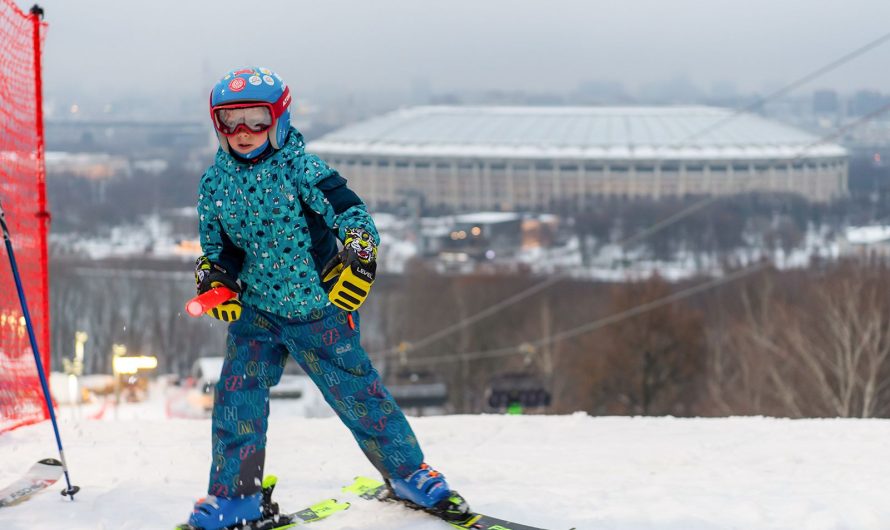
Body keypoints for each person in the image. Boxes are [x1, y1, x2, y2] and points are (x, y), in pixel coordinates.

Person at [184, 67, 469, 530]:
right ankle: (237, 496)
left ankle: (408, 472)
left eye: (255, 119)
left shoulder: (303, 169)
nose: (242, 133)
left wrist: (359, 254)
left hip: (314, 310)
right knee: (238, 400)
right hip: (256, 314)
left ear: (278, 118)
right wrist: (214, 278)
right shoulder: (215, 185)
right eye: (229, 120)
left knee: (359, 393)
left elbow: (351, 214)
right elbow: (218, 250)